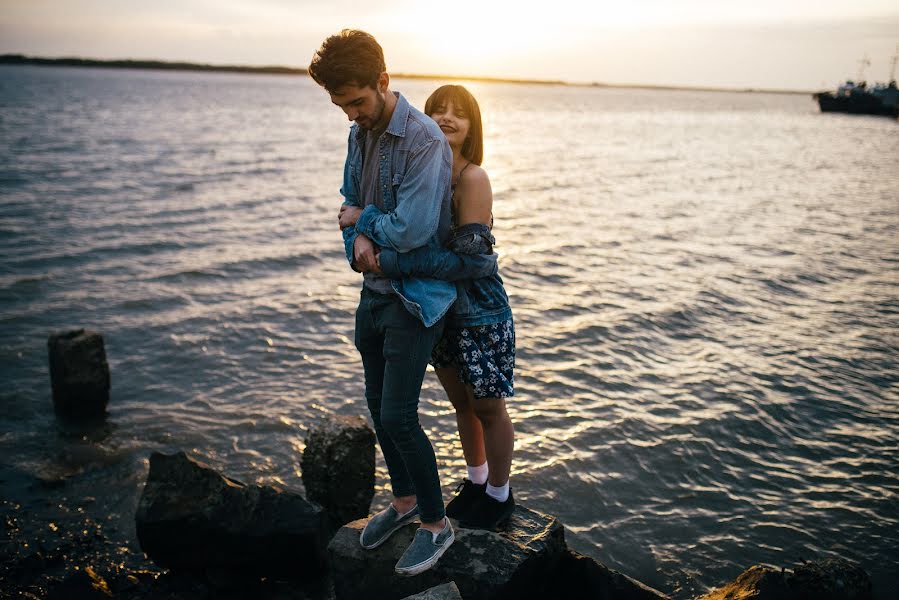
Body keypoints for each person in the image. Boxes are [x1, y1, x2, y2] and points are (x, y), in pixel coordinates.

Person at [308, 30, 496, 577]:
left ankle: (437, 526)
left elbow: (412, 230)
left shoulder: (423, 141)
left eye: (357, 102)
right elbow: (348, 201)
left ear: (383, 82)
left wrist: (362, 225)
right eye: (340, 105)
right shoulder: (358, 131)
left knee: (398, 415)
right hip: (373, 293)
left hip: (415, 301)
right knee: (377, 407)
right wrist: (359, 243)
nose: (349, 115)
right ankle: (405, 501)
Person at [377, 85, 516, 531]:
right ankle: (476, 482)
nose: (446, 118)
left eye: (459, 113)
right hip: (439, 311)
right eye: (437, 110)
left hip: (480, 312)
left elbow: (473, 261)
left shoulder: (472, 177)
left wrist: (396, 259)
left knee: (489, 407)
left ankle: (500, 494)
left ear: (473, 126)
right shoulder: (422, 173)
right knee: (461, 404)